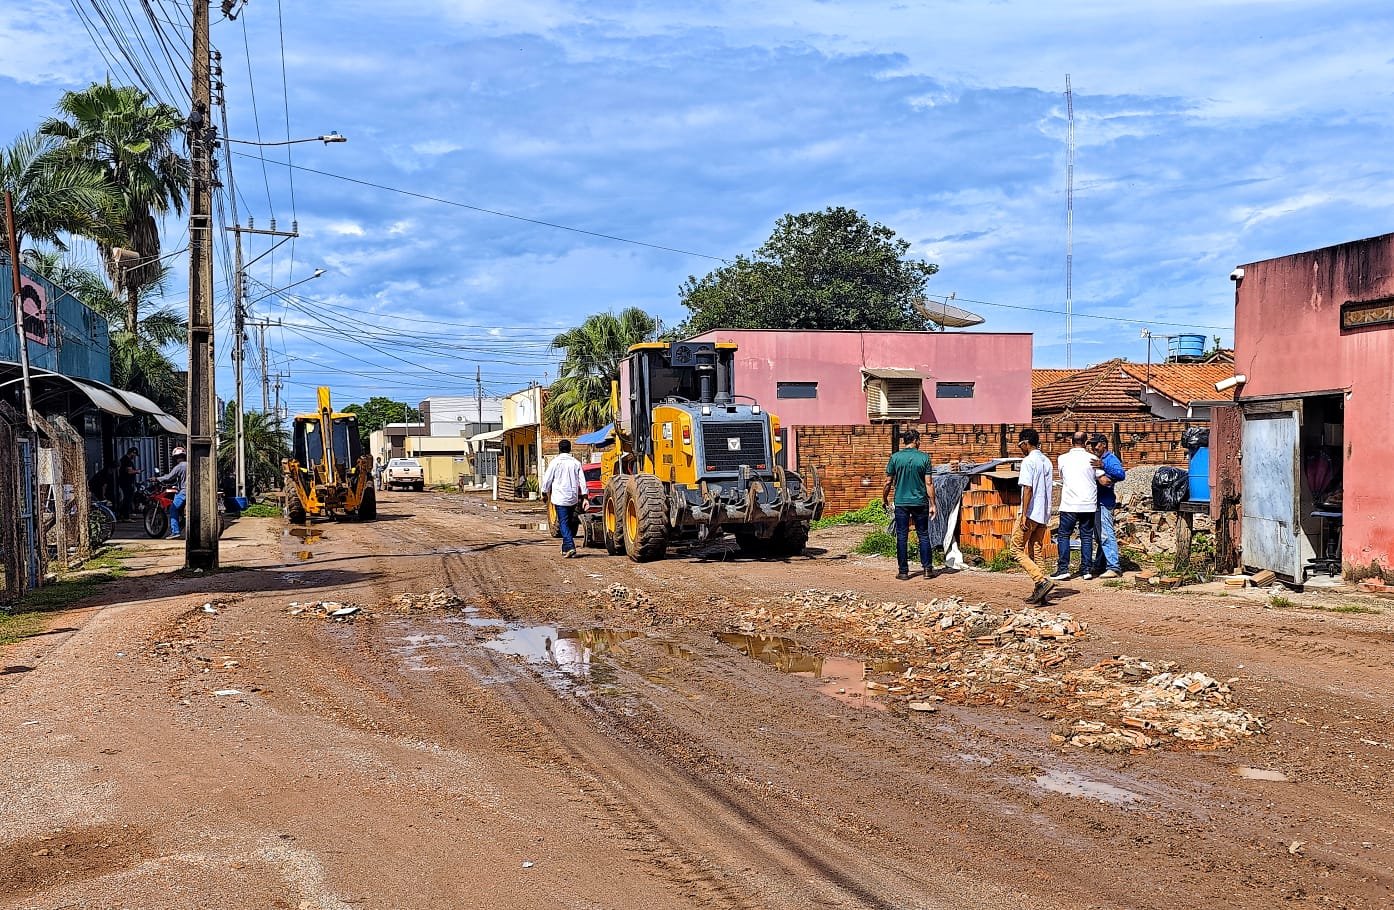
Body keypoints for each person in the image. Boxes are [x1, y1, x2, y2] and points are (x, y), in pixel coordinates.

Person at [1008, 428, 1057, 604]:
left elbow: (1027, 488)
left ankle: (1040, 580)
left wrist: (1023, 515)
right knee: (1035, 550)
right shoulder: (1047, 461)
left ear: (1025, 443)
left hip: (1030, 513)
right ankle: (1041, 591)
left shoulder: (1028, 462)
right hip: (1043, 513)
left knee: (1015, 549)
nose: (1020, 448)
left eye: (1020, 444)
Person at [881, 428, 937, 581]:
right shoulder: (924, 458)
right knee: (923, 535)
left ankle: (904, 572)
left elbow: (888, 482)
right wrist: (933, 504)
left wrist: (884, 498)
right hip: (920, 502)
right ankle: (927, 569)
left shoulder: (895, 458)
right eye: (919, 441)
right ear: (916, 441)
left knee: (902, 536)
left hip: (901, 503)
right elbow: (929, 483)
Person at [1051, 431, 1099, 581]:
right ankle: (1086, 570)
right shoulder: (1093, 458)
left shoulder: (1062, 458)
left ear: (1071, 442)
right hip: (1088, 504)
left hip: (1069, 504)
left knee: (1064, 535)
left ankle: (1063, 569)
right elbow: (1101, 477)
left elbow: (1062, 476)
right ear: (1085, 443)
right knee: (1086, 537)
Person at [1088, 433, 1126, 579]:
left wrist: (1104, 466)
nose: (1093, 448)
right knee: (1099, 536)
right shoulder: (1097, 459)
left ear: (1104, 444)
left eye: (1096, 444)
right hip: (1096, 503)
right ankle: (1099, 564)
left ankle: (1114, 567)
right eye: (1091, 445)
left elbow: (1121, 474)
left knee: (1106, 534)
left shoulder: (1110, 459)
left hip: (1105, 502)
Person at [540, 439, 587, 558]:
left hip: (560, 498)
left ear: (559, 449)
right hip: (572, 497)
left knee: (563, 524)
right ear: (570, 449)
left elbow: (547, 479)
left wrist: (544, 493)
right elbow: (582, 480)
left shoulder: (555, 463)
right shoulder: (576, 463)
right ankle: (565, 548)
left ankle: (570, 546)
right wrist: (585, 496)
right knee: (568, 522)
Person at [155, 447, 188, 539]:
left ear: (175, 457)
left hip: (184, 491)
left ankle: (175, 531)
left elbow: (169, 477)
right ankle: (183, 522)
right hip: (190, 490)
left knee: (173, 509)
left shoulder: (179, 467)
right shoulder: (190, 465)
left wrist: (156, 478)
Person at [116, 446, 140, 519]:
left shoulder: (123, 459)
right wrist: (137, 471)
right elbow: (129, 471)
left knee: (126, 499)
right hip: (127, 483)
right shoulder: (127, 460)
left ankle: (122, 514)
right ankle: (125, 516)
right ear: (132, 453)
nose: (135, 456)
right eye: (135, 455)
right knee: (128, 499)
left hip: (124, 482)